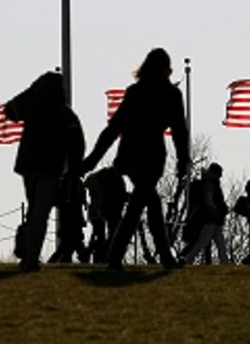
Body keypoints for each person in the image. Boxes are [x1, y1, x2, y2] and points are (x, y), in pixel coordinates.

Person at [80, 48, 189, 270]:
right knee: (140, 205)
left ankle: (156, 257)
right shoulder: (170, 95)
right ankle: (119, 257)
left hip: (131, 155)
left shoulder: (136, 92)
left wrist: (92, 160)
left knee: (149, 203)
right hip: (150, 158)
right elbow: (179, 131)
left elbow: (113, 129)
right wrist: (182, 159)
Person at [5, 71, 84, 272]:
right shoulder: (65, 114)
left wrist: (31, 90)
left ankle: (28, 252)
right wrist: (74, 173)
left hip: (32, 169)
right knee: (38, 214)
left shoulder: (33, 108)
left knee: (35, 213)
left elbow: (10, 109)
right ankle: (29, 256)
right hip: (48, 170)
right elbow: (77, 147)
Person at [183, 162, 229, 264]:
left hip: (213, 218)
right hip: (212, 218)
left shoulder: (209, 182)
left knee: (218, 242)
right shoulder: (210, 183)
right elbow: (209, 199)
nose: (220, 176)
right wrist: (215, 211)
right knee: (204, 242)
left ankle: (225, 261)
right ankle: (189, 259)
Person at [83, 166, 128, 263]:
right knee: (110, 235)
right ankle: (101, 255)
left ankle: (94, 254)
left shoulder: (100, 182)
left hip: (101, 211)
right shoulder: (113, 180)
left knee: (101, 236)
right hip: (108, 211)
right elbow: (118, 195)